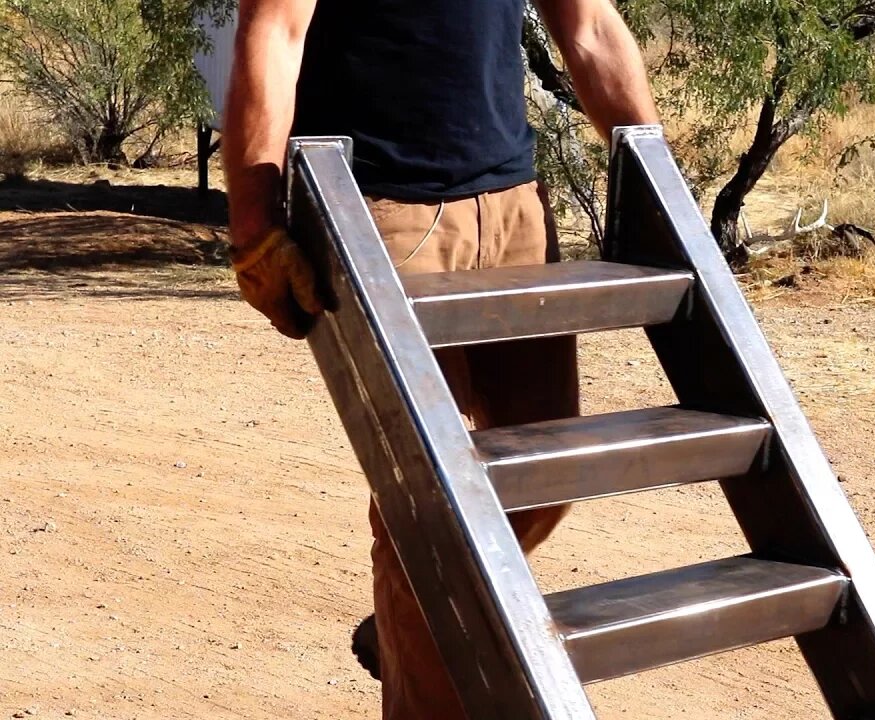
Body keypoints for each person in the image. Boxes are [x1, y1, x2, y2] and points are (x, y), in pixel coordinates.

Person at [220, 0, 659, 716]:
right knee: (431, 505)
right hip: (381, 212)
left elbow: (591, 28)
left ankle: (417, 620)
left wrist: (652, 177)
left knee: (545, 477)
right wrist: (253, 223)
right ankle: (425, 630)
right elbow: (274, 30)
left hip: (515, 206)